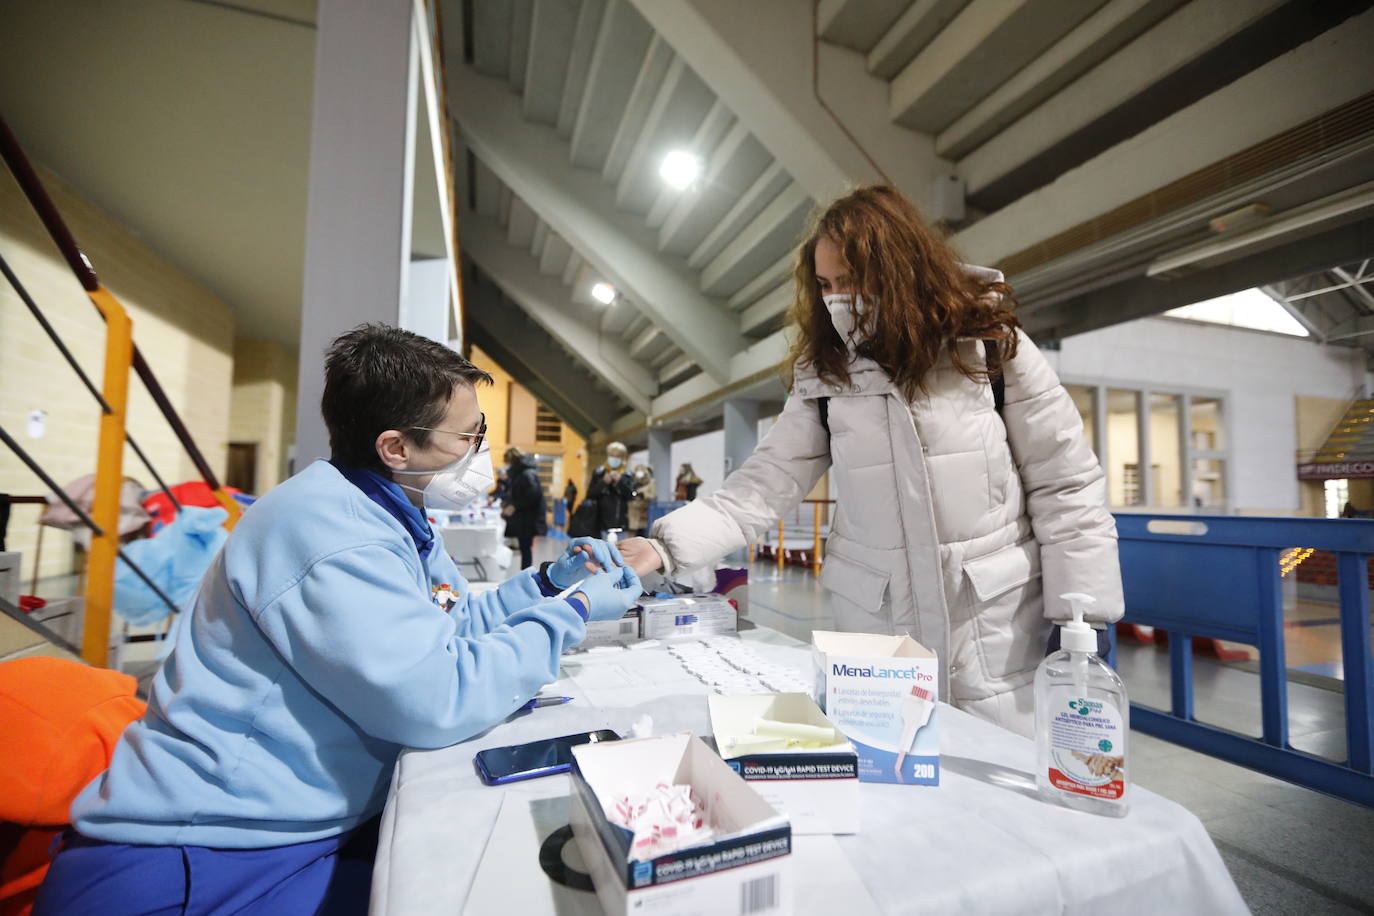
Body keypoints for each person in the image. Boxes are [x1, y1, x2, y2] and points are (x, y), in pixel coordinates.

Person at [35, 324, 641, 915]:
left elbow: (451, 625)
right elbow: (435, 698)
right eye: (466, 436)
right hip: (202, 855)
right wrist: (575, 615)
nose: (479, 450)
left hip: (294, 825)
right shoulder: (332, 534)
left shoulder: (391, 511)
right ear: (396, 447)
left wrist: (549, 584)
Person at [619, 185, 1123, 737]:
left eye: (853, 280)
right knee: (892, 784)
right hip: (876, 631)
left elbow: (1066, 482)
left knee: (998, 781)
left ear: (900, 266)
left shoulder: (989, 348)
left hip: (995, 631)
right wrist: (664, 547)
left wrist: (1082, 613)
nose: (839, 299)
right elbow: (765, 485)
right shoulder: (825, 377)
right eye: (827, 285)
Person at [502, 446, 547, 568]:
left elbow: (533, 494)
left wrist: (515, 506)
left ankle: (526, 574)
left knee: (525, 548)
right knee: (525, 547)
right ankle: (525, 573)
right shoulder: (523, 473)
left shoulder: (526, 474)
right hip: (526, 516)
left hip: (528, 518)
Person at [586, 441, 635, 540]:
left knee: (619, 552)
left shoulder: (627, 475)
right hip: (600, 522)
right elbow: (590, 494)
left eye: (618, 456)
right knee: (603, 552)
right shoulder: (599, 473)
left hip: (620, 523)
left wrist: (619, 482)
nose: (614, 459)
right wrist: (603, 482)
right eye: (612, 456)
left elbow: (632, 495)